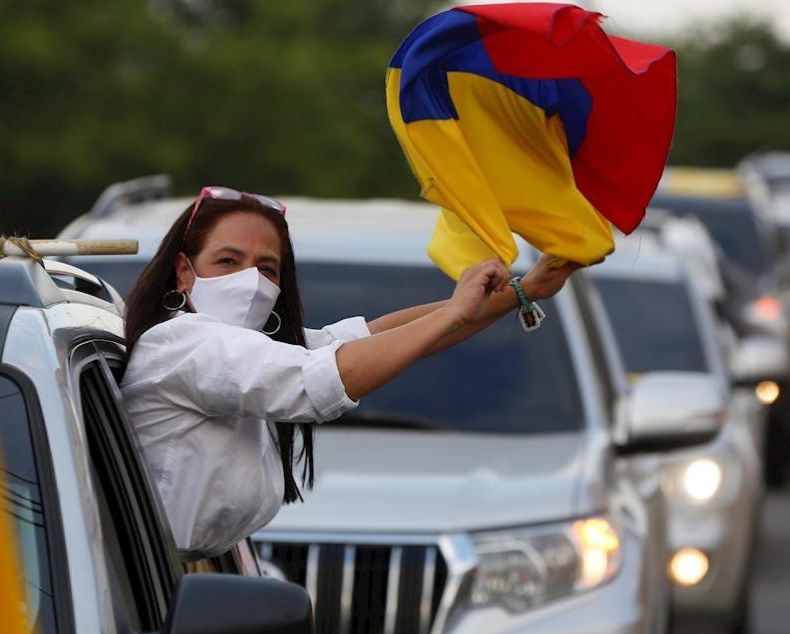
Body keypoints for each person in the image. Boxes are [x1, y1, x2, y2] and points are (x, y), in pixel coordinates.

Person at [121, 186, 579, 559]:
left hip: (190, 582)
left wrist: (522, 289)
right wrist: (455, 312)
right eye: (228, 261)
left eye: (267, 268)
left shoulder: (254, 349)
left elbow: (373, 341)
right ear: (184, 272)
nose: (251, 281)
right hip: (150, 590)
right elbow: (319, 378)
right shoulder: (181, 344)